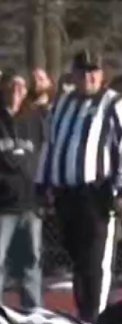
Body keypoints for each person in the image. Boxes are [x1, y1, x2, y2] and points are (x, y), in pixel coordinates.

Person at [36, 50, 122, 322]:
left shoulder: (115, 104)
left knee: (96, 265)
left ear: (102, 74)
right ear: (74, 74)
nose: (88, 77)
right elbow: (50, 144)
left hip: (97, 194)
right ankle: (85, 318)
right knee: (79, 264)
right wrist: (43, 181)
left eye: (94, 71)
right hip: (67, 195)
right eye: (82, 72)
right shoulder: (62, 105)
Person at [0, 72, 44, 308]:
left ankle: (34, 317)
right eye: (11, 85)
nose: (16, 90)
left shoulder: (34, 120)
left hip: (29, 204)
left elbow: (44, 155)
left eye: (21, 85)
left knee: (31, 264)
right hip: (2, 206)